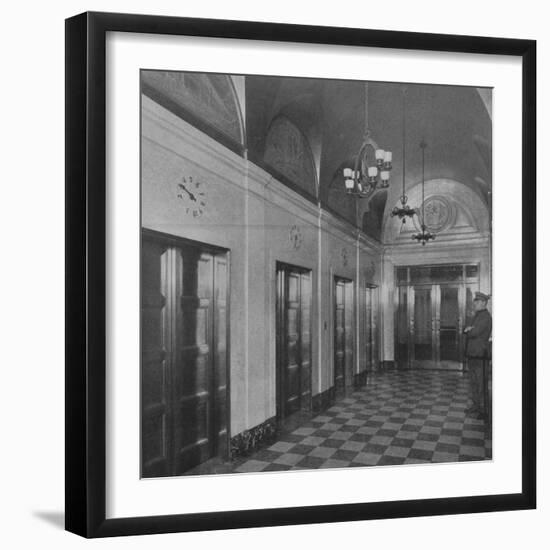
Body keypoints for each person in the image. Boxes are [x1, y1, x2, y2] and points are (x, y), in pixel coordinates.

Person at [463, 292, 492, 419]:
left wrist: (469, 330)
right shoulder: (477, 315)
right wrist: (469, 329)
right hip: (473, 354)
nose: (474, 303)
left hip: (480, 355)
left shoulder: (485, 316)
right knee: (474, 383)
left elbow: (474, 332)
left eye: (477, 301)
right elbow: (467, 328)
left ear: (484, 303)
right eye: (475, 301)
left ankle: (484, 411)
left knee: (481, 384)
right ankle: (476, 406)